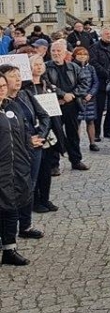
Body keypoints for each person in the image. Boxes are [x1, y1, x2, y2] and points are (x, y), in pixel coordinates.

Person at [1, 64, 49, 244]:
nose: (18, 79)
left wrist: (40, 136)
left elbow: (44, 115)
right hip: (13, 152)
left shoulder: (26, 95)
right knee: (10, 191)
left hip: (32, 148)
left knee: (28, 185)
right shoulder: (4, 105)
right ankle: (8, 233)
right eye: (13, 76)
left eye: (19, 75)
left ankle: (25, 225)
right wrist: (28, 139)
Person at [0, 74, 37, 266]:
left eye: (3, 85)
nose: (1, 89)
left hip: (16, 168)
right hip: (2, 169)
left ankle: (10, 249)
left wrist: (27, 156)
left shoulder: (11, 107)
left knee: (11, 208)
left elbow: (23, 134)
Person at [44, 39, 90, 171]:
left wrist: (72, 95)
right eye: (53, 51)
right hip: (54, 105)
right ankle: (54, 165)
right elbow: (46, 84)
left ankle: (76, 160)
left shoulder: (74, 67)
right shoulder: (46, 67)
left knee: (73, 134)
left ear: (65, 53)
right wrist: (62, 95)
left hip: (71, 105)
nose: (56, 53)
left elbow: (84, 83)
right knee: (54, 134)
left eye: (59, 51)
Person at [24, 56, 61, 213]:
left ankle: (45, 198)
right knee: (36, 170)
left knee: (46, 169)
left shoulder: (47, 85)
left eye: (40, 64)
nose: (38, 67)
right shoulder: (26, 88)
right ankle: (35, 201)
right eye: (35, 64)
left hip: (48, 131)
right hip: (34, 131)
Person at [90, 27, 110, 140]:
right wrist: (107, 73)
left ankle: (108, 130)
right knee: (99, 108)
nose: (109, 35)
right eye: (106, 34)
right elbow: (94, 63)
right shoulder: (95, 47)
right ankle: (96, 133)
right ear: (101, 35)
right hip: (100, 81)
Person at [72, 46, 100, 152]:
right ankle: (76, 143)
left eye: (84, 54)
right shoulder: (72, 67)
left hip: (90, 98)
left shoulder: (91, 68)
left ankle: (92, 143)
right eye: (79, 54)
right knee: (77, 122)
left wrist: (91, 94)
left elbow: (95, 82)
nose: (82, 56)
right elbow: (72, 83)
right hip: (78, 98)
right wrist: (81, 94)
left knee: (90, 121)